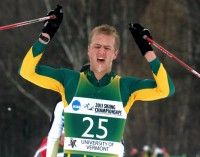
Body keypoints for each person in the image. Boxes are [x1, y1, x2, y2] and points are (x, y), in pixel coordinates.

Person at [19, 4, 175, 157]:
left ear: (115, 54)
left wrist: (146, 50)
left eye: (107, 48)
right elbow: (27, 72)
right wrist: (46, 36)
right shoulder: (69, 80)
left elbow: (166, 89)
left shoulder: (125, 87)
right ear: (88, 50)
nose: (101, 52)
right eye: (97, 46)